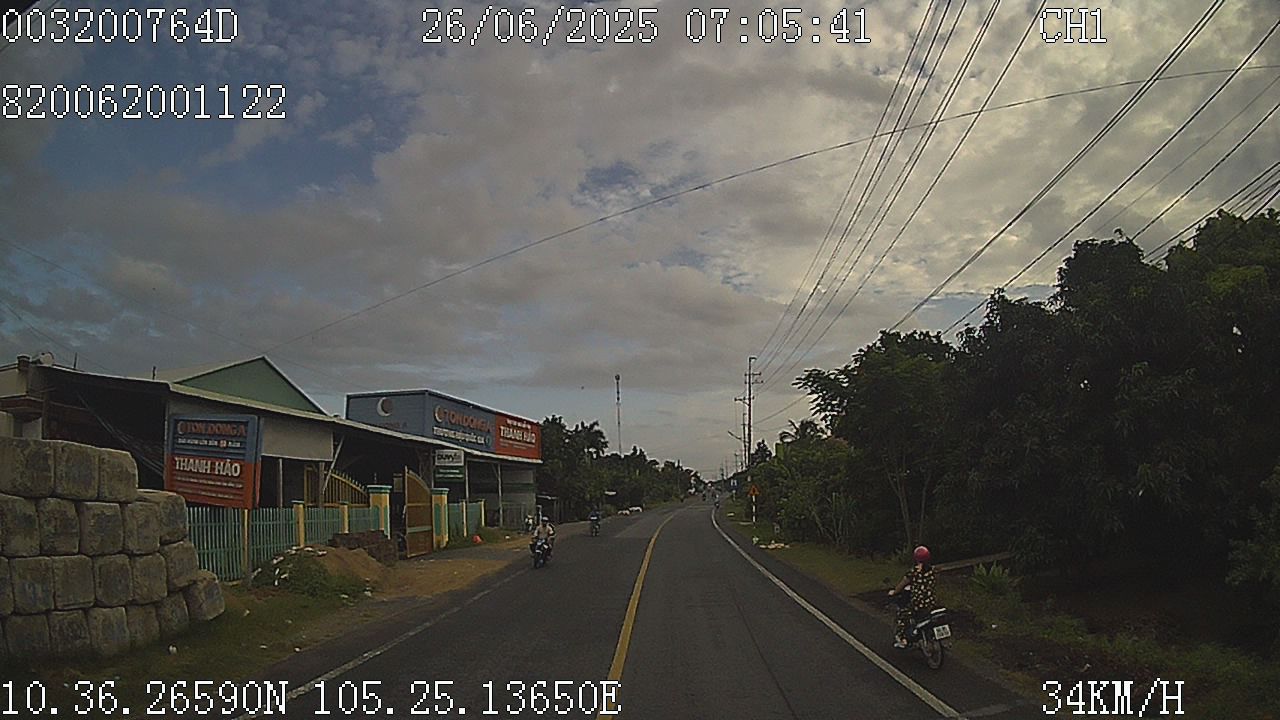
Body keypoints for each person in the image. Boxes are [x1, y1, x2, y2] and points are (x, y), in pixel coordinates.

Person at [888, 545, 937, 648]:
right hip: (930, 602)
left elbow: (902, 584)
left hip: (917, 603)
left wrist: (894, 592)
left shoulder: (914, 572)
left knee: (902, 615)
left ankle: (903, 639)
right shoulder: (932, 570)